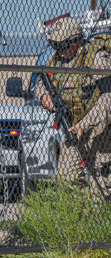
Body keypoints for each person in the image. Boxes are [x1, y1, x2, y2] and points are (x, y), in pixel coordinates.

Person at [40, 15, 111, 197]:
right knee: (67, 180)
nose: (59, 50)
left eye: (63, 45)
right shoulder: (56, 60)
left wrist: (84, 124)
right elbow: (42, 81)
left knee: (102, 186)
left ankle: (99, 220)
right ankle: (79, 220)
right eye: (55, 45)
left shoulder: (95, 58)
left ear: (76, 40)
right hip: (71, 127)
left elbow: (107, 100)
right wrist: (44, 97)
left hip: (100, 132)